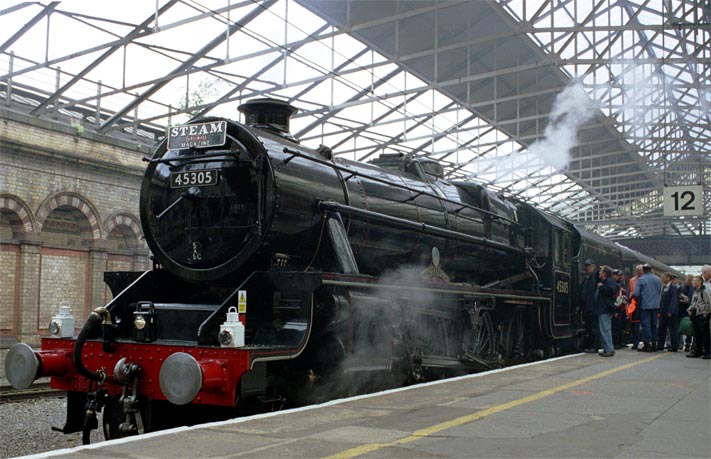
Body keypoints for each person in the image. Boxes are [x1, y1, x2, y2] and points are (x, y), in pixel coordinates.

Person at [632, 264, 662, 352]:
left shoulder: (641, 280)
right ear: (651, 269)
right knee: (654, 324)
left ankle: (647, 344)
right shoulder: (657, 279)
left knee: (646, 325)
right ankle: (654, 343)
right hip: (656, 305)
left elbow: (636, 294)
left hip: (645, 306)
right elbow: (659, 290)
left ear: (644, 270)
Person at [687, 275, 711, 359]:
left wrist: (705, 314)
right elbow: (694, 302)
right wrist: (689, 310)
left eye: (695, 280)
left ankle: (708, 352)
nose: (693, 282)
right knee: (697, 334)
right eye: (693, 280)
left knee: (705, 334)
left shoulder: (704, 291)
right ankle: (698, 351)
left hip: (702, 315)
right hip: (695, 315)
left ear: (700, 282)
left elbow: (708, 304)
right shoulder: (695, 291)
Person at [579, 259, 600, 353]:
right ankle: (591, 345)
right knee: (589, 328)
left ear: (593, 266)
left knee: (594, 328)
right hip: (587, 307)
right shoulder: (586, 279)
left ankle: (595, 346)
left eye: (589, 266)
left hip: (593, 307)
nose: (587, 268)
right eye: (586, 266)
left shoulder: (595, 277)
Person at [596, 266, 617, 357]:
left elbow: (610, 291)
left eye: (601, 272)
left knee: (605, 329)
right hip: (603, 308)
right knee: (604, 329)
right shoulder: (606, 281)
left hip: (605, 309)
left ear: (605, 273)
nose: (599, 273)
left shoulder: (609, 282)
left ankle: (609, 349)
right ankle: (606, 348)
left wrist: (601, 287)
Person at [656, 272, 679, 352]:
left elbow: (673, 300)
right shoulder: (664, 287)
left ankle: (674, 346)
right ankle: (660, 345)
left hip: (670, 313)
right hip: (663, 312)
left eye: (664, 277)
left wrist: (671, 311)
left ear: (668, 278)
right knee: (661, 329)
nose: (662, 279)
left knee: (672, 329)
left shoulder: (673, 288)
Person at [627, 265, 644, 349]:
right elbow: (629, 291)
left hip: (644, 303)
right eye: (638, 270)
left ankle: (645, 342)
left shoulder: (645, 280)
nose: (639, 272)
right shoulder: (632, 280)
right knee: (635, 325)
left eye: (641, 270)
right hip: (634, 305)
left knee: (645, 324)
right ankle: (635, 342)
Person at [611, 269, 627, 348]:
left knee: (621, 326)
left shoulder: (622, 284)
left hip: (622, 308)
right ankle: (616, 342)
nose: (620, 277)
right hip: (617, 307)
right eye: (618, 275)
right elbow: (614, 298)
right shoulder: (614, 285)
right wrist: (615, 310)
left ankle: (621, 341)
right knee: (616, 327)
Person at [678, 274, 694, 352]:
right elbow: (678, 296)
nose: (688, 281)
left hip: (689, 310)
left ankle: (687, 344)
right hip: (682, 309)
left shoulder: (693, 289)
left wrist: (688, 301)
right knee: (681, 327)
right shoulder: (682, 288)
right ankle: (682, 344)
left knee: (689, 328)